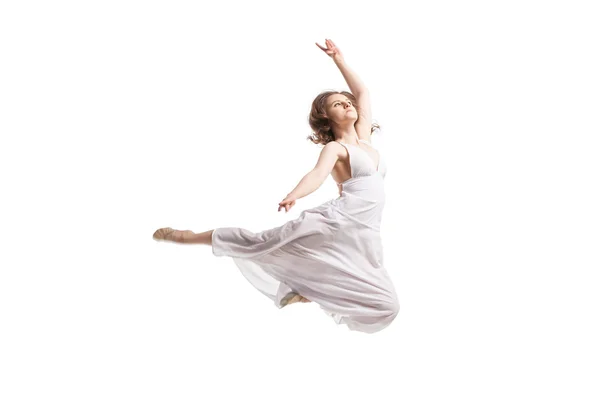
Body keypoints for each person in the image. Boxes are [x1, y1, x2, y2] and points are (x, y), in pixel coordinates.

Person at [153, 39, 399, 333]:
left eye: (347, 101)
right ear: (326, 117)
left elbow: (362, 92)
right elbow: (316, 175)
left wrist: (339, 60)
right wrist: (294, 195)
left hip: (365, 232)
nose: (347, 103)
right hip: (339, 221)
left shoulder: (364, 139)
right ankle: (189, 237)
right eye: (337, 103)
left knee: (387, 306)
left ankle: (308, 289)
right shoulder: (335, 149)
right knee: (264, 242)